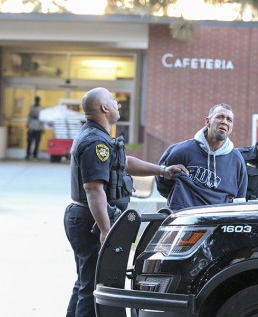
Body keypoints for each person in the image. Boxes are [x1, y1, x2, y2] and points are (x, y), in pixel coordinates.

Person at [63, 87, 187, 317]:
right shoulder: (95, 143)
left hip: (87, 217)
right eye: (112, 99)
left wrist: (162, 170)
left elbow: (125, 162)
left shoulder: (99, 137)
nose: (117, 103)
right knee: (93, 287)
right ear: (104, 108)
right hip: (91, 219)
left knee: (86, 281)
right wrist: (105, 230)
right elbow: (93, 189)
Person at [156, 103, 248, 210]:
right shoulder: (181, 151)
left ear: (231, 127)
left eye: (229, 120)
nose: (224, 122)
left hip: (220, 220)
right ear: (207, 121)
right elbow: (162, 184)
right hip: (187, 219)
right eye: (220, 117)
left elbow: (240, 198)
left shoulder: (237, 159)